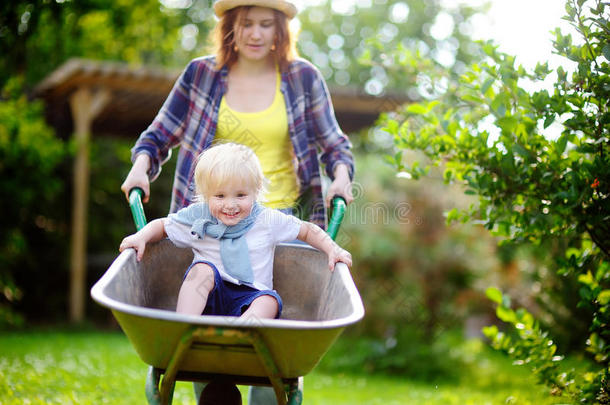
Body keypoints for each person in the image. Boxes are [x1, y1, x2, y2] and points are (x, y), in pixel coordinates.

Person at [120, 0, 354, 227]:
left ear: (279, 30)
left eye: (265, 24)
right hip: (210, 217)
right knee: (202, 269)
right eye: (246, 23)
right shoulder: (201, 74)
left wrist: (341, 178)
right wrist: (140, 168)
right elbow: (158, 136)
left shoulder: (302, 77)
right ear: (231, 26)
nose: (255, 34)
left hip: (282, 218)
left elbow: (335, 146)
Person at [119, 143, 352, 320]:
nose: (230, 205)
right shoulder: (198, 216)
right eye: (219, 196)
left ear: (256, 191)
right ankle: (183, 325)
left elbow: (307, 231)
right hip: (209, 298)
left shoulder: (266, 219)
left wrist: (332, 248)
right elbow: (162, 226)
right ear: (205, 195)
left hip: (249, 299)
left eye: (240, 195)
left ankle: (243, 333)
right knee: (201, 270)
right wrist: (141, 237)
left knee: (270, 300)